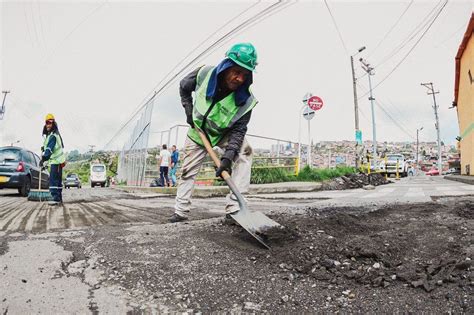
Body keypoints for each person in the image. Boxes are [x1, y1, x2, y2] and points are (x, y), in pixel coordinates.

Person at [170, 42, 258, 223]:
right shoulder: (204, 74)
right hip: (198, 132)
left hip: (222, 133)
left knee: (246, 151)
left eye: (244, 74)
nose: (239, 78)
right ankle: (180, 212)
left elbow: (239, 131)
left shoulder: (246, 101)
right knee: (188, 171)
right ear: (226, 66)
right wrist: (188, 108)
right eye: (236, 71)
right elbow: (183, 87)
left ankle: (235, 209)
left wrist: (228, 157)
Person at [40, 113, 66, 206]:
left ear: (53, 124)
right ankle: (59, 199)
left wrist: (43, 159)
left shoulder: (53, 136)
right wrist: (43, 147)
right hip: (57, 162)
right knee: (57, 181)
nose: (48, 125)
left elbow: (49, 149)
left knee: (53, 180)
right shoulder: (51, 135)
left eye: (50, 123)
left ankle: (55, 198)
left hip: (57, 161)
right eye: (47, 123)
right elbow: (48, 146)